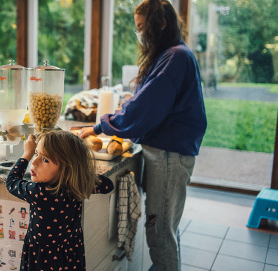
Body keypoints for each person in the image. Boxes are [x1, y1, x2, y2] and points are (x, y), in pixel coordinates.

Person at [79, 0, 207, 270]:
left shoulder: (175, 57)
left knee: (160, 233)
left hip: (169, 156)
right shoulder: (173, 54)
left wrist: (100, 126)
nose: (139, 34)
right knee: (166, 230)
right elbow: (144, 101)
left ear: (160, 23)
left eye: (142, 27)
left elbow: (143, 108)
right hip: (170, 152)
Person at [6, 131, 114, 270]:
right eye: (35, 154)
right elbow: (108, 185)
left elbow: (11, 182)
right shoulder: (77, 184)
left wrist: (26, 154)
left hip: (42, 260)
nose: (34, 161)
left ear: (66, 169)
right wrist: (82, 175)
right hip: (70, 253)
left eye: (45, 160)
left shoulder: (39, 192)